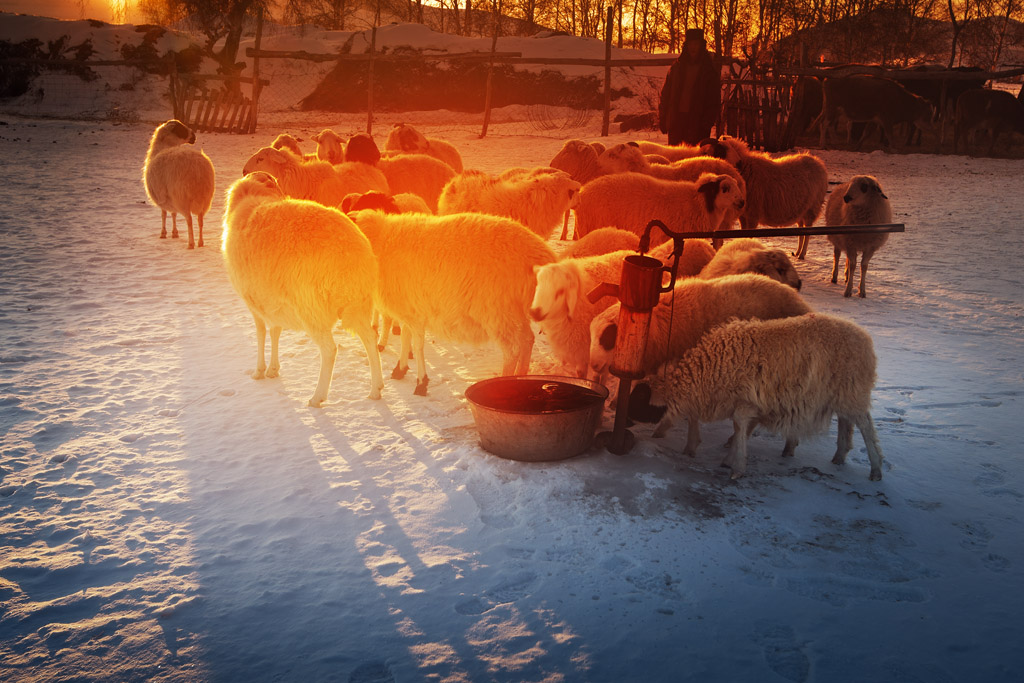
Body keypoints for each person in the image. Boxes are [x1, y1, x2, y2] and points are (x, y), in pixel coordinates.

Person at [658, 28, 721, 146]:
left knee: (694, 160)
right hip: (676, 121)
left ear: (701, 46)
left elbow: (714, 100)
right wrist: (663, 118)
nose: (693, 47)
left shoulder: (708, 71)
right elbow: (666, 94)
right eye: (690, 44)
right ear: (686, 46)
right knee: (675, 157)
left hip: (698, 123)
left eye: (696, 44)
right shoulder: (676, 68)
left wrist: (706, 123)